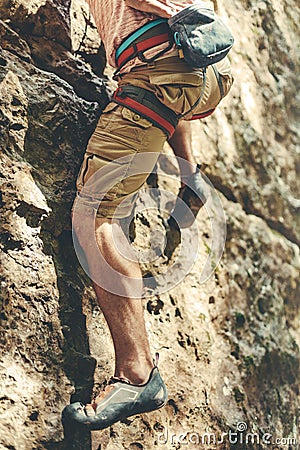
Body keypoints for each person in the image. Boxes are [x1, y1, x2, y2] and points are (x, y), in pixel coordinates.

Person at [62, 0, 233, 430]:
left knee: (95, 215)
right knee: (164, 77)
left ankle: (137, 373)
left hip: (155, 72)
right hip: (190, 76)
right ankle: (191, 172)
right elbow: (183, 44)